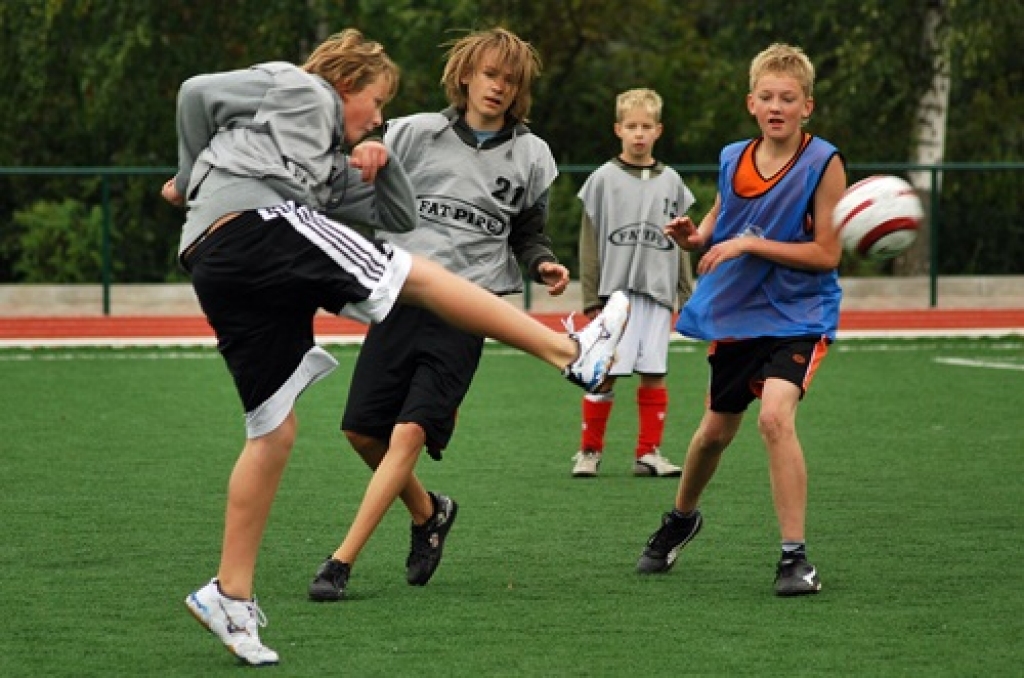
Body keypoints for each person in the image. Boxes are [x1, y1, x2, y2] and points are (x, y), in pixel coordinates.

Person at [163, 29, 629, 666]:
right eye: (375, 103)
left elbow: (401, 215)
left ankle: (230, 593)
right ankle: (572, 352)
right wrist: (189, 176)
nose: (378, 117)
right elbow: (195, 94)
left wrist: (384, 166)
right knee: (423, 275)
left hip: (220, 265)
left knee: (272, 429)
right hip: (257, 227)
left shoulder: (326, 166)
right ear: (347, 86)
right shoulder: (299, 88)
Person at [307, 27, 573, 603]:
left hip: (467, 314)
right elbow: (343, 176)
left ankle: (339, 561)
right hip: (400, 296)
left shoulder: (532, 154)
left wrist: (544, 263)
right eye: (489, 75)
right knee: (360, 431)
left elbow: (528, 233)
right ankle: (429, 512)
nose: (498, 87)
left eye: (510, 79)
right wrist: (365, 153)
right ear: (465, 76)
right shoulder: (411, 132)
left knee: (408, 431)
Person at [635, 43, 846, 597]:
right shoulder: (733, 157)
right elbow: (724, 217)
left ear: (808, 106)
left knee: (774, 417)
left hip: (800, 312)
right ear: (751, 102)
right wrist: (698, 237)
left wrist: (753, 245)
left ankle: (793, 558)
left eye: (789, 98)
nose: (777, 106)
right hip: (738, 312)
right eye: (768, 96)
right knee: (712, 433)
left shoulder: (824, 161)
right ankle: (682, 518)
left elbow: (827, 254)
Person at [570, 88, 695, 479]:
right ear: (618, 129)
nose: (638, 134)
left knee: (654, 370)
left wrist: (685, 292)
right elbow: (588, 242)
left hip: (657, 293)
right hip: (615, 296)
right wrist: (591, 295)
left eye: (646, 126)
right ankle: (589, 452)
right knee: (603, 371)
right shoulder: (602, 180)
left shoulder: (673, 182)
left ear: (658, 130)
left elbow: (683, 243)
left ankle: (648, 453)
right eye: (631, 126)